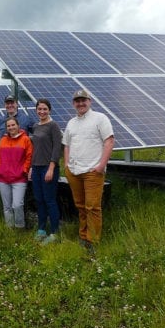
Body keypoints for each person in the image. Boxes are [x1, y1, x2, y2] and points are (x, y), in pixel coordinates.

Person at [62, 89, 114, 252]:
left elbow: (109, 141)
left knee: (92, 207)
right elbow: (67, 145)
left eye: (83, 100)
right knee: (80, 206)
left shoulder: (100, 118)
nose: (80, 103)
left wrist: (100, 166)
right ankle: (83, 236)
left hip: (93, 171)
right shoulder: (71, 123)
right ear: (73, 104)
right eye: (77, 101)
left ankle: (93, 241)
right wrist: (67, 165)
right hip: (74, 171)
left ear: (89, 101)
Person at [29, 99, 63, 245]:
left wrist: (51, 167)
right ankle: (41, 229)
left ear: (49, 110)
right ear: (36, 110)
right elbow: (34, 149)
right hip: (36, 168)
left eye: (44, 109)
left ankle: (54, 232)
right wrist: (31, 167)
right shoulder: (35, 126)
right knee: (39, 199)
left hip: (48, 168)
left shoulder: (53, 125)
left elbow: (57, 148)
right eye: (39, 109)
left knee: (50, 200)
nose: (42, 112)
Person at [0, 117, 33, 229]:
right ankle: (9, 228)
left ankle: (20, 227)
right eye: (8, 126)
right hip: (3, 178)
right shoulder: (3, 140)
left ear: (18, 126)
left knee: (17, 205)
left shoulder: (25, 139)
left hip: (19, 178)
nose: (11, 127)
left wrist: (24, 170)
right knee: (7, 207)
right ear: (6, 128)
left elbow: (29, 157)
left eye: (13, 125)